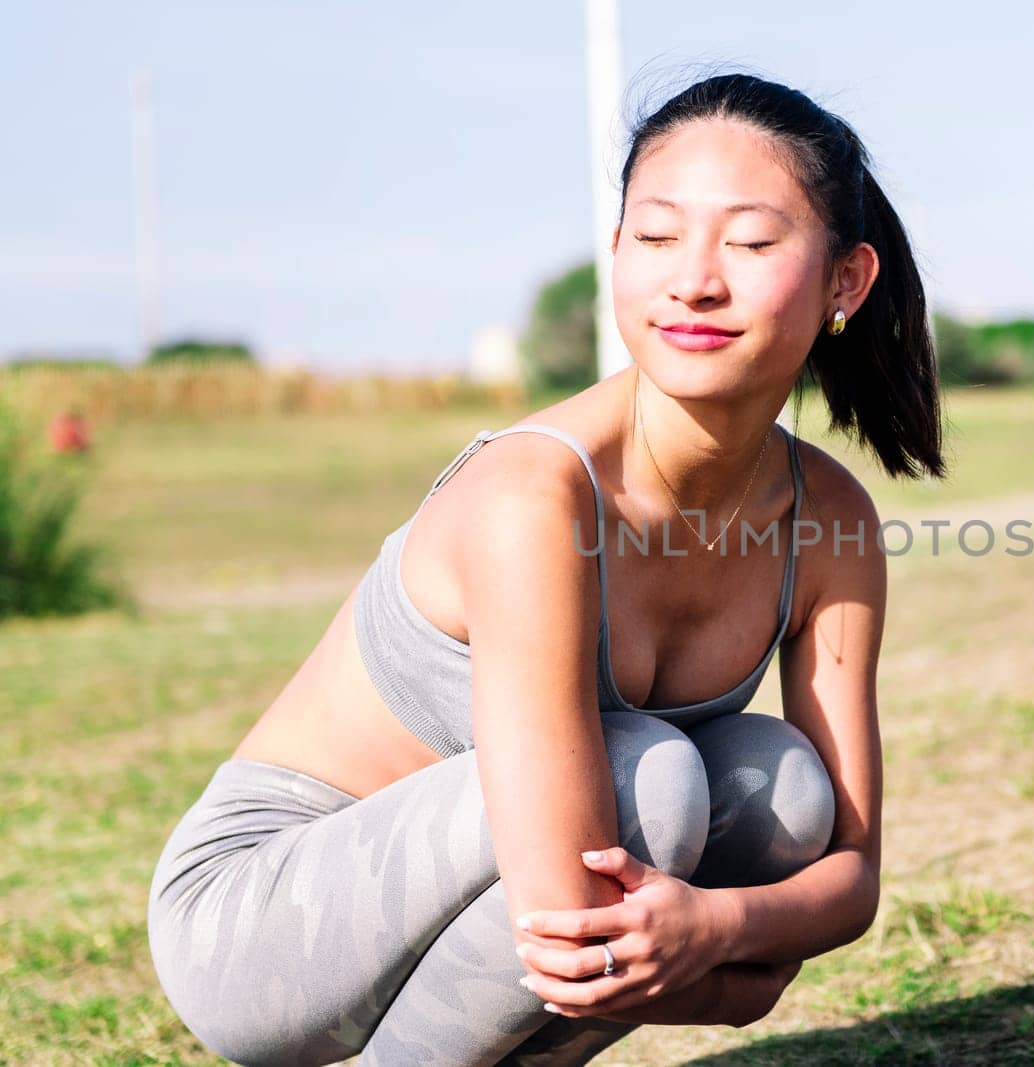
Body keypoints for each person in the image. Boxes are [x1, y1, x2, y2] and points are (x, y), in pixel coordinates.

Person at [145, 70, 945, 1065]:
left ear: (845, 282)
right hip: (262, 921)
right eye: (655, 238)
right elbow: (570, 912)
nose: (693, 280)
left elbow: (849, 875)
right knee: (648, 782)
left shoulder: (828, 521)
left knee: (780, 785)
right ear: (616, 254)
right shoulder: (536, 496)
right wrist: (732, 971)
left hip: (507, 911)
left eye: (747, 242)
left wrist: (719, 928)